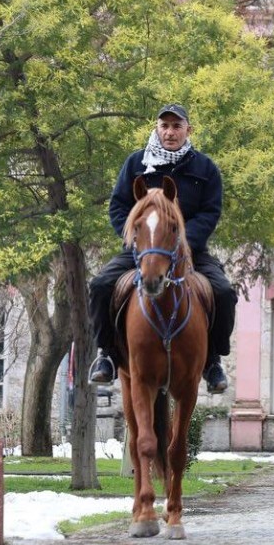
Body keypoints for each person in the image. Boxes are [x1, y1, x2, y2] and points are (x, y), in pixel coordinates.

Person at [88, 104, 238, 393]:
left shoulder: (205, 168)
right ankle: (105, 354)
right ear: (157, 128)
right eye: (165, 126)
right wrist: (135, 238)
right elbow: (119, 206)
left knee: (223, 292)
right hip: (142, 250)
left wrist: (183, 241)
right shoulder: (135, 164)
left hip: (188, 250)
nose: (170, 132)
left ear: (188, 130)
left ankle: (213, 360)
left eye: (176, 126)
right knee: (100, 285)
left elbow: (210, 211)